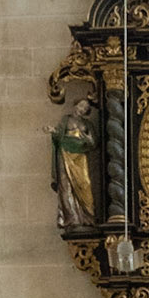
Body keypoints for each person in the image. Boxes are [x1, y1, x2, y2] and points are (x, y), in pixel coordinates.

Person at [50, 98, 97, 229]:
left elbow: (94, 143)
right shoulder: (66, 120)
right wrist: (53, 131)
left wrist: (88, 139)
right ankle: (71, 217)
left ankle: (88, 216)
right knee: (65, 185)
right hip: (65, 154)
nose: (83, 109)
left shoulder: (87, 124)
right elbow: (59, 136)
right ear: (75, 105)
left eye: (86, 108)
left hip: (80, 156)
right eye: (81, 105)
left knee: (84, 184)